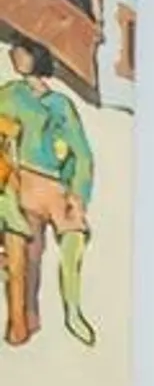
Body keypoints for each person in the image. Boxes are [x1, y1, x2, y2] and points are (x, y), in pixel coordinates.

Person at [0, 41, 98, 350]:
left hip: (56, 185)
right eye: (13, 50)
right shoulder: (9, 94)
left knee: (75, 237)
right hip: (22, 179)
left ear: (36, 58)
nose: (13, 54)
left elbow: (82, 155)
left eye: (21, 51)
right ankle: (27, 316)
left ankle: (73, 311)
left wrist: (78, 193)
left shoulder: (60, 104)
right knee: (29, 252)